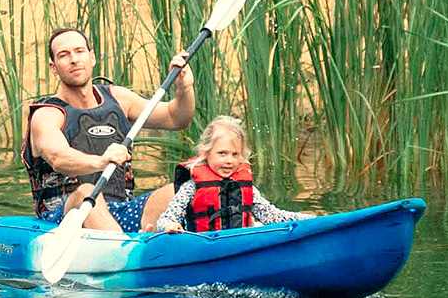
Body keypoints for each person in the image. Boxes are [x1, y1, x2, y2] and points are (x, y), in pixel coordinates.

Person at [23, 24, 195, 236]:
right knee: (86, 192)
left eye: (79, 51)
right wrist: (101, 161)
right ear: (53, 67)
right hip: (66, 215)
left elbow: (176, 117)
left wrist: (184, 88)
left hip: (122, 209)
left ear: (92, 57)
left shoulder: (119, 99)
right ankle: (128, 251)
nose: (74, 59)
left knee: (179, 191)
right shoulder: (47, 114)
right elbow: (59, 158)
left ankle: (157, 244)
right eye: (64, 55)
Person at [154, 117, 305, 234]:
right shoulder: (191, 187)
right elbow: (165, 219)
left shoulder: (247, 188)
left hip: (239, 243)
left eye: (235, 154)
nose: (229, 161)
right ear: (206, 153)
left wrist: (305, 218)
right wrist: (169, 226)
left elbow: (270, 216)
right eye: (222, 154)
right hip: (203, 246)